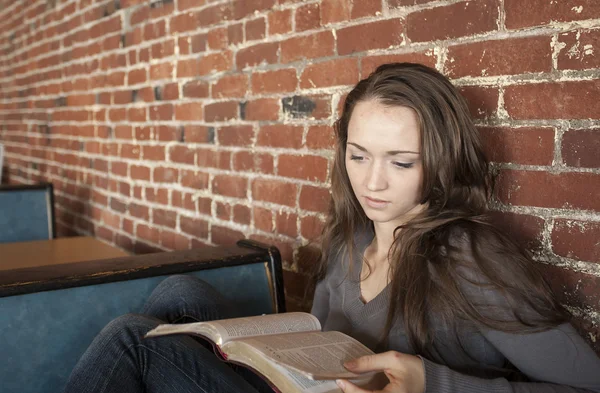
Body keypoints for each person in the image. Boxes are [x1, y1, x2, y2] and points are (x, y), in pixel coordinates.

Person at [64, 63, 600, 393]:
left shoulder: (473, 260)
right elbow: (313, 341)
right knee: (181, 293)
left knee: (133, 341)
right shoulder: (353, 236)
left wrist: (432, 383)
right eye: (358, 154)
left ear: (441, 161)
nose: (373, 182)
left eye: (401, 162)